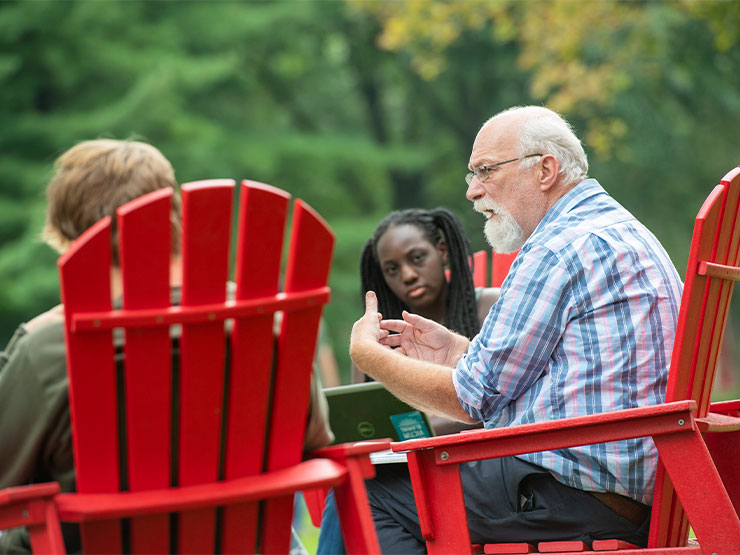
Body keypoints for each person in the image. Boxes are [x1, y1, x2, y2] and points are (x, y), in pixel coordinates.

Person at [348, 105, 683, 552]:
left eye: (486, 170)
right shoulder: (620, 229)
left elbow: (471, 400)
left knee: (372, 491)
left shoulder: (556, 248)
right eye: (471, 174)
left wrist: (372, 357)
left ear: (545, 169)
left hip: (579, 492)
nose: (471, 191)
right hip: (637, 482)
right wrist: (458, 352)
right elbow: (561, 368)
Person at [0, 139, 332, 554]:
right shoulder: (263, 321)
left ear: (72, 239)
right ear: (174, 217)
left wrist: (26, 340)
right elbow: (313, 436)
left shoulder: (49, 349)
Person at [316, 208, 499, 554]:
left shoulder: (489, 308)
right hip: (405, 473)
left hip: (476, 470)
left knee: (358, 497)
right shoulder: (381, 340)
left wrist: (414, 428)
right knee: (351, 489)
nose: (409, 275)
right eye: (392, 270)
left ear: (442, 251)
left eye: (417, 258)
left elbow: (496, 406)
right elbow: (364, 423)